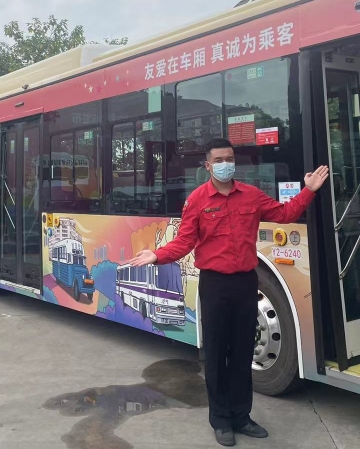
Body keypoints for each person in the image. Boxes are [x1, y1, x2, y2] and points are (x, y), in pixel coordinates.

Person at [130, 138, 329, 447]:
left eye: (230, 158)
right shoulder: (197, 200)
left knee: (241, 353)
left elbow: (285, 214)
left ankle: (242, 417)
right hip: (215, 286)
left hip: (246, 283)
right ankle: (221, 420)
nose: (226, 164)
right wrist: (157, 255)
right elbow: (184, 241)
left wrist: (309, 190)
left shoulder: (251, 195)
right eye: (220, 160)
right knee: (216, 354)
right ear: (208, 166)